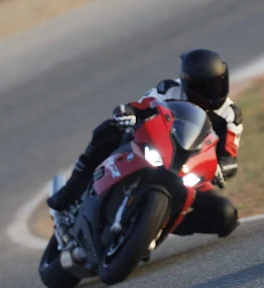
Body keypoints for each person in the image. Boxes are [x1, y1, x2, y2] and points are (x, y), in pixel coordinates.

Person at [46, 48, 243, 238]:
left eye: (216, 85)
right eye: (203, 86)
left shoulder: (230, 114)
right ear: (187, 82)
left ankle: (156, 224)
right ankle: (72, 188)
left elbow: (229, 155)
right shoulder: (170, 89)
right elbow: (142, 106)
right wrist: (128, 112)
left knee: (226, 215)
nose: (210, 92)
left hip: (188, 173)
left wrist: (223, 168)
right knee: (109, 130)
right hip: (157, 153)